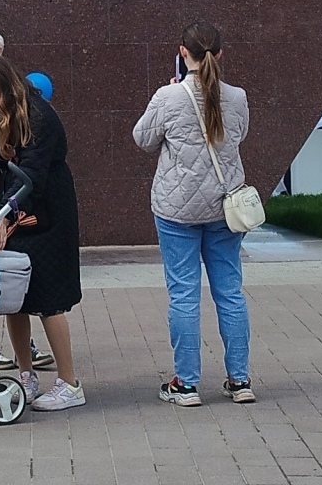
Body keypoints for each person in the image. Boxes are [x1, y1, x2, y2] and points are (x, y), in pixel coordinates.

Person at [133, 21, 253, 408]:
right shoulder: (236, 97)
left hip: (176, 209)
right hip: (224, 207)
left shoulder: (169, 96)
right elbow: (239, 136)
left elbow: (143, 139)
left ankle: (186, 384)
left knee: (184, 294)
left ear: (182, 52)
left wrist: (172, 94)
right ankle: (239, 380)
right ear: (220, 54)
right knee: (230, 292)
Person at [0, 53, 83, 411]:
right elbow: (10, 159)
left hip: (44, 211)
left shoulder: (38, 115)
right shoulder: (7, 114)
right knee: (15, 296)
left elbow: (35, 173)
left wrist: (4, 214)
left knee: (47, 299)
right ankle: (26, 375)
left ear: (2, 82)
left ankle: (69, 383)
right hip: (17, 203)